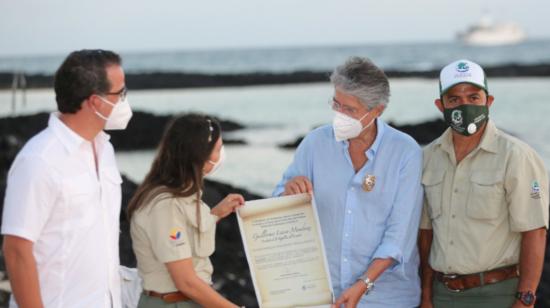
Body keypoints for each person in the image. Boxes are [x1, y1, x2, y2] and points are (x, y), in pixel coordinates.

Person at [273, 56, 423, 308]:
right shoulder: (314, 144)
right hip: (321, 295)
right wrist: (288, 192)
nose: (339, 115)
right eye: (336, 104)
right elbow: (277, 207)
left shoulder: (405, 152)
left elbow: (399, 235)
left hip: (387, 298)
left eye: (350, 109)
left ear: (377, 111)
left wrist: (364, 284)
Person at [2, 49, 132, 307]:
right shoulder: (40, 160)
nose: (125, 102)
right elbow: (16, 251)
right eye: (121, 94)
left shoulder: (105, 150)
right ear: (96, 101)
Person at [419, 59, 549, 308]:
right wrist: (426, 295)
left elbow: (535, 231)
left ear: (488, 101)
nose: (465, 105)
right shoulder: (428, 157)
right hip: (441, 294)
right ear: (441, 105)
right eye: (454, 99)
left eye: (473, 97)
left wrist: (526, 300)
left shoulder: (516, 156)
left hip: (497, 295)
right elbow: (426, 234)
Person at [127, 114, 245, 308]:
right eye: (218, 148)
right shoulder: (166, 206)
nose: (222, 154)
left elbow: (182, 233)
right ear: (201, 156)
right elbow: (186, 282)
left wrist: (215, 214)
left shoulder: (183, 195)